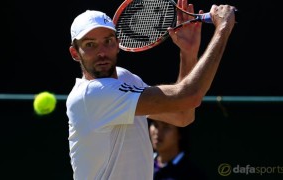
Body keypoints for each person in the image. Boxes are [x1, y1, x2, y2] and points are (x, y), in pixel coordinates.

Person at [66, 0, 236, 179]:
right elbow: (189, 96)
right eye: (90, 45)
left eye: (107, 41)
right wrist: (223, 29)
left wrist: (188, 53)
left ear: (117, 44)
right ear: (75, 53)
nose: (102, 52)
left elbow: (182, 115)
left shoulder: (126, 78)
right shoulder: (90, 95)